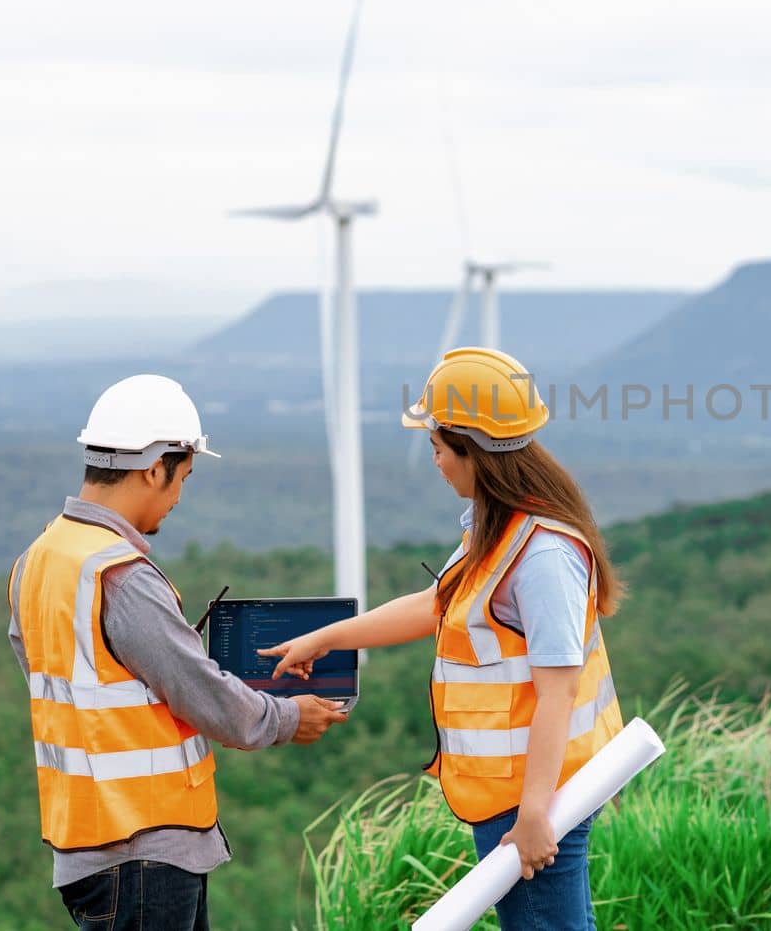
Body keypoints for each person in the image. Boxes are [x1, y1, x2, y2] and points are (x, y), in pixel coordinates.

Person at [261, 347, 624, 930]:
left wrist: (534, 814)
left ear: (473, 452)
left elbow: (558, 690)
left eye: (437, 446)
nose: (433, 461)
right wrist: (325, 637)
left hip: (533, 796)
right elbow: (435, 605)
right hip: (514, 791)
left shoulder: (543, 554)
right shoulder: (500, 527)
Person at [7, 374, 348, 931]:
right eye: (182, 477)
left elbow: (91, 687)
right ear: (152, 467)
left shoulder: (39, 559)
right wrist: (288, 716)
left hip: (86, 845)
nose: (179, 497)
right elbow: (196, 691)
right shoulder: (120, 575)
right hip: (143, 850)